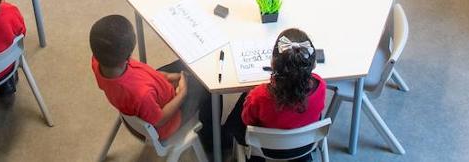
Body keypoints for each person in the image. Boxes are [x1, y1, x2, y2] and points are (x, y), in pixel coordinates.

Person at [90, 14, 225, 154]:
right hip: (169, 119)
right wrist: (182, 94)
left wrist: (166, 77)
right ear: (128, 55)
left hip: (151, 91)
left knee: (187, 64)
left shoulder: (97, 62)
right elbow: (160, 119)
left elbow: (143, 75)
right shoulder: (141, 94)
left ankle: (176, 79)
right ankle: (211, 140)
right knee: (211, 85)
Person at [222, 28, 328, 160]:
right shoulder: (321, 86)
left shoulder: (258, 96)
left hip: (266, 149)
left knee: (241, 109)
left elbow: (247, 121)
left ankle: (225, 138)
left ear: (272, 63)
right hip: (304, 146)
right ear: (314, 64)